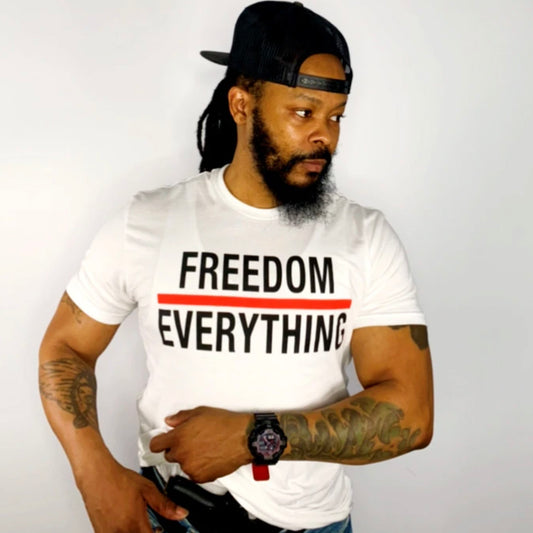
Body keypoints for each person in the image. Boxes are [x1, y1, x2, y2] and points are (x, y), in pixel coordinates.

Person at [39, 2, 434, 532]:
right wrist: (93, 474)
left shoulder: (364, 237)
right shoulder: (149, 222)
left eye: (336, 116)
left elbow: (411, 412)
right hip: (173, 517)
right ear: (242, 104)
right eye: (304, 112)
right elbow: (66, 347)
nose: (327, 137)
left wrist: (255, 437)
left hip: (311, 525)